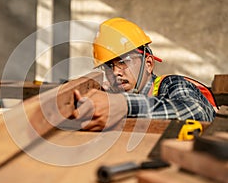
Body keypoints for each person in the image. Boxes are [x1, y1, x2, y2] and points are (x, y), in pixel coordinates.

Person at [72, 17, 216, 131]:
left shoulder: (173, 84)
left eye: (123, 62)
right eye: (109, 67)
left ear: (148, 63)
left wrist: (124, 105)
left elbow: (194, 110)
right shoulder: (113, 94)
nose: (115, 72)